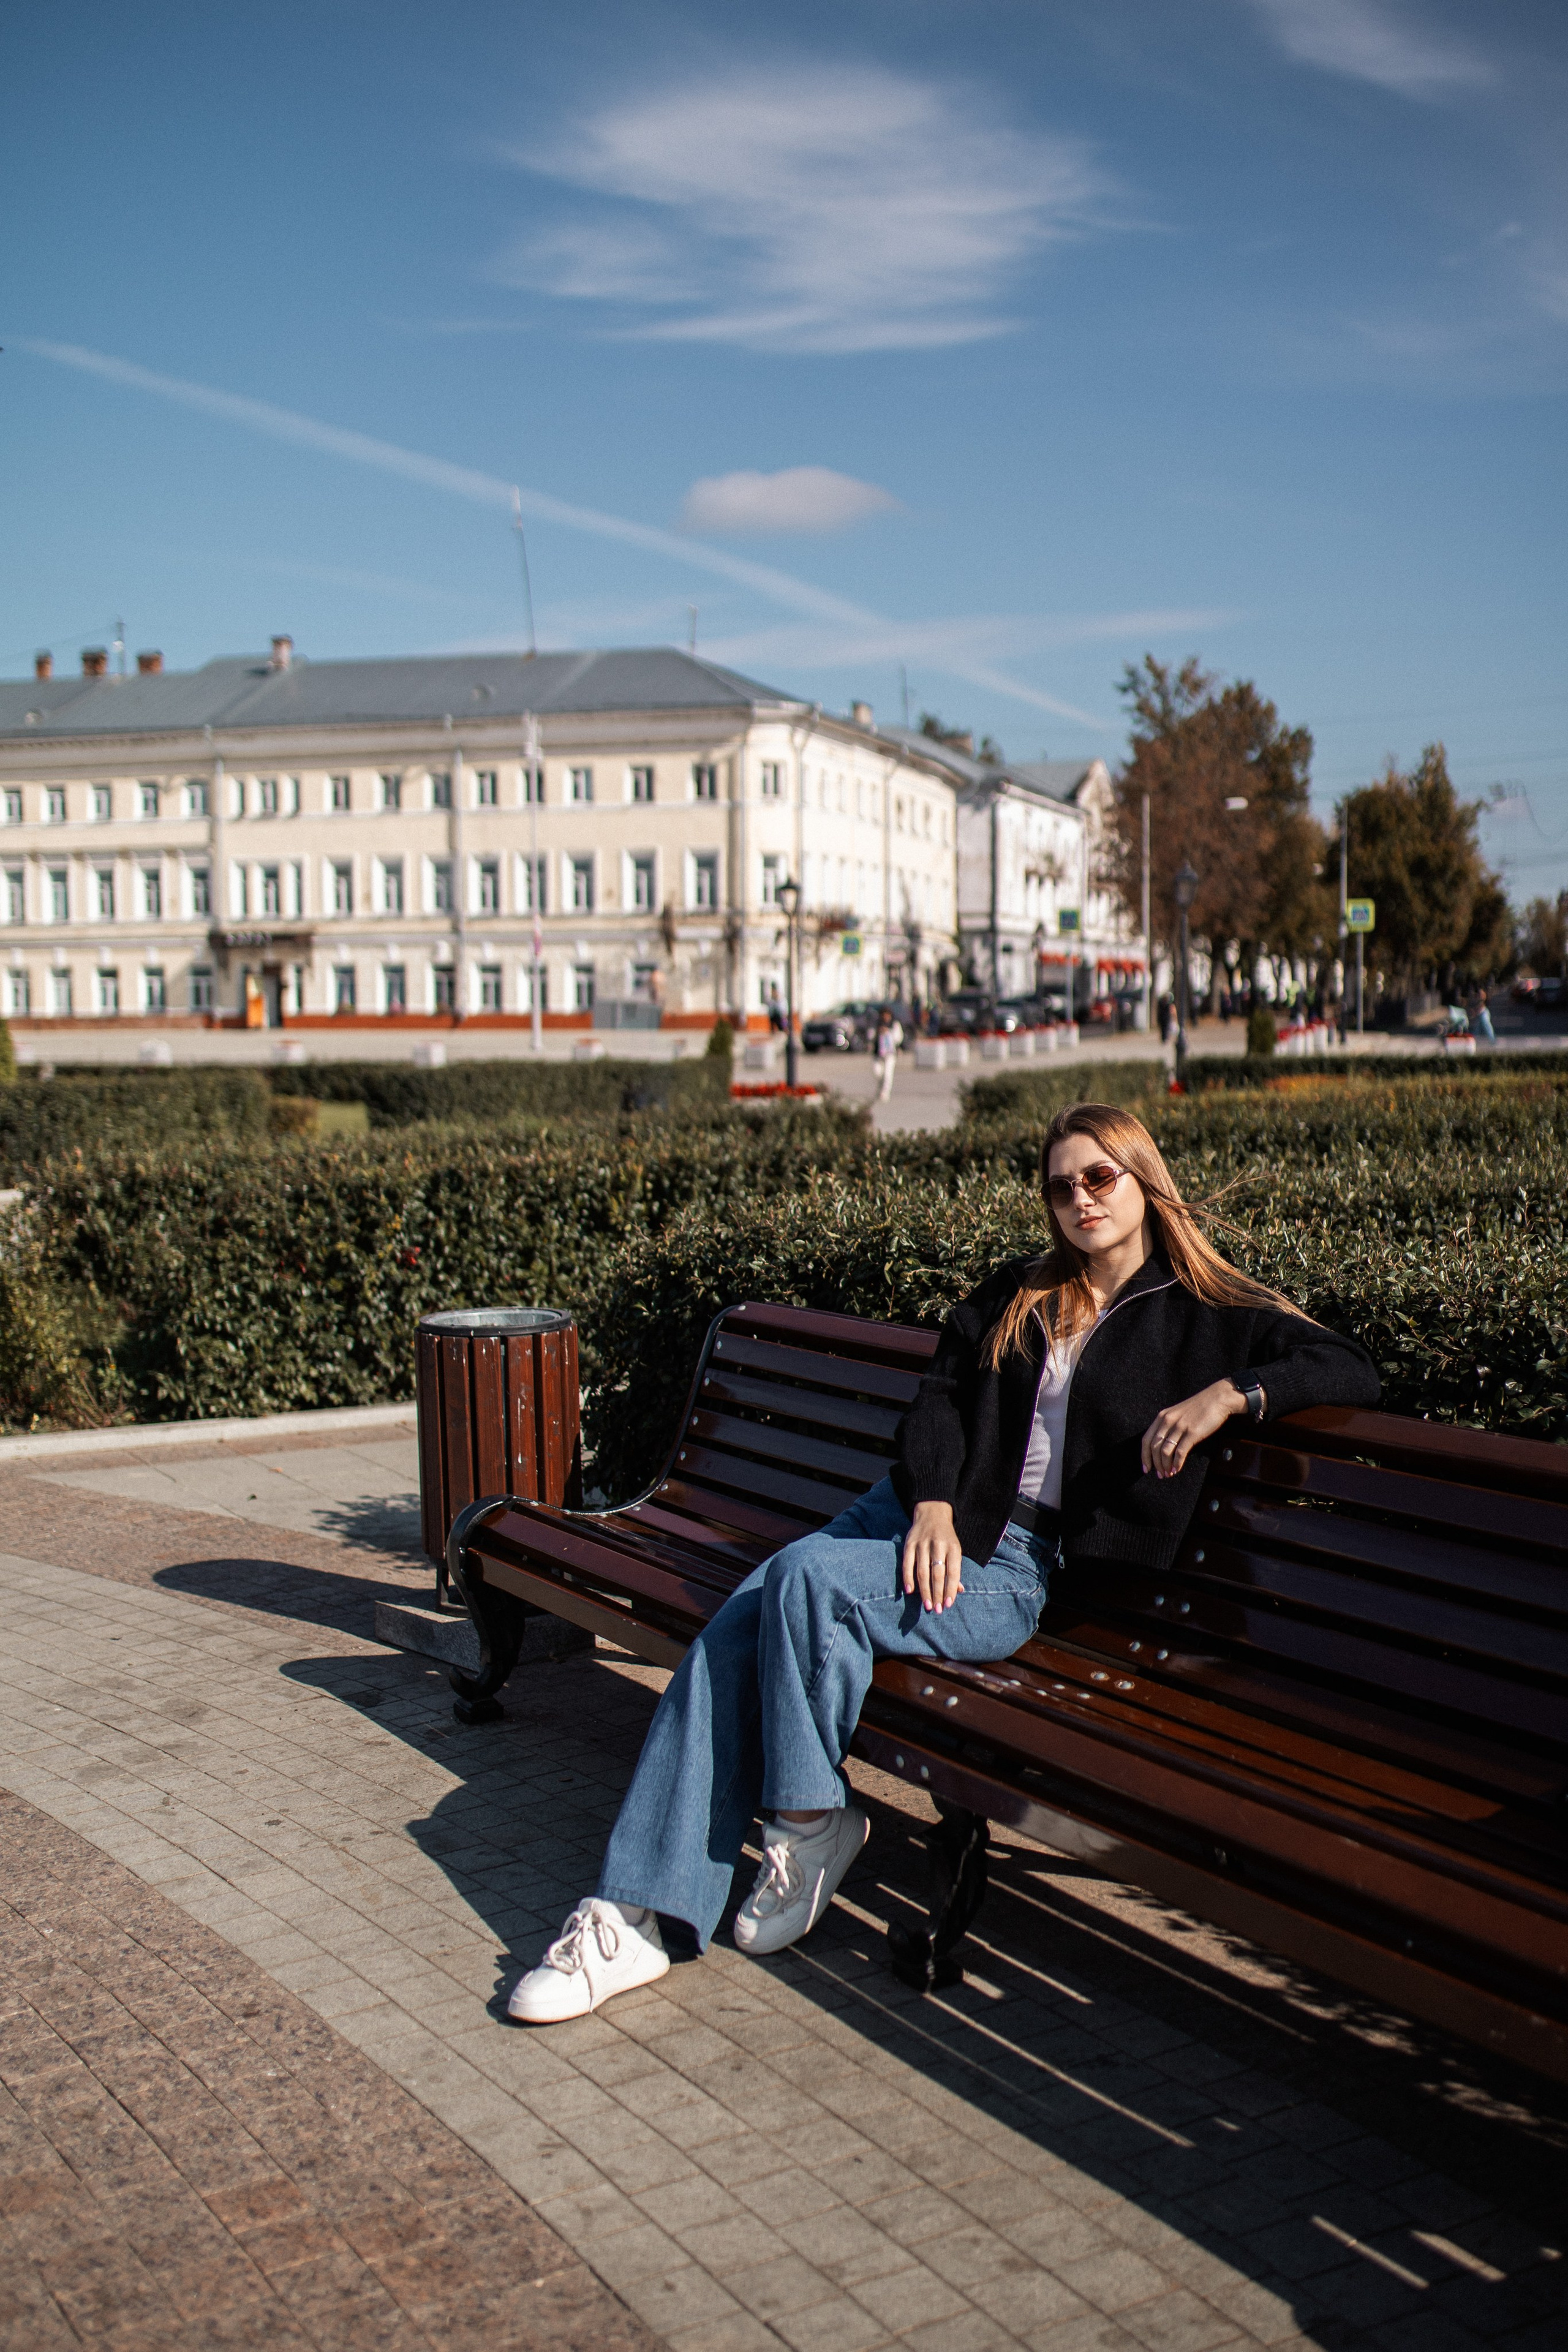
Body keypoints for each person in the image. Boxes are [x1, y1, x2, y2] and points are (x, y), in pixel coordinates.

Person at [507, 1101, 1381, 2022]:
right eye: (1060, 1185)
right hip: (914, 1519)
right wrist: (929, 1499)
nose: (1080, 1199)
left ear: (1142, 1178)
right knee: (736, 1632)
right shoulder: (1021, 1292)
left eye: (1099, 1177)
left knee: (800, 1585)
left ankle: (798, 1824)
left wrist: (1231, 1396)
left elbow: (1348, 1368)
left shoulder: (1211, 1314)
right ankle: (638, 1913)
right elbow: (936, 1404)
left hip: (1012, 1568)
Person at [872, 1003, 903, 1101]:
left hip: (890, 1053)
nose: (885, 1017)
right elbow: (870, 1036)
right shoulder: (877, 1024)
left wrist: (888, 1032)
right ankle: (880, 1087)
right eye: (883, 1015)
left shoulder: (895, 1024)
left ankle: (885, 1093)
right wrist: (878, 1032)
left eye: (887, 1015)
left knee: (888, 1074)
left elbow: (899, 1038)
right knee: (878, 1072)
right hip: (878, 1053)